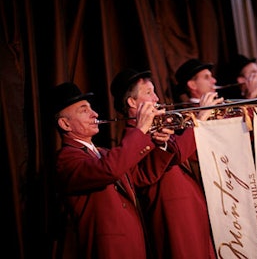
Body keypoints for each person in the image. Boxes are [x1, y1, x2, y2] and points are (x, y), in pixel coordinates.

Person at [51, 82, 175, 259]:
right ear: (65, 124)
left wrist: (160, 144)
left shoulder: (104, 152)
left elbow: (142, 176)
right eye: (84, 110)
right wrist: (139, 131)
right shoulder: (66, 159)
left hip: (134, 244)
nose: (95, 114)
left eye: (91, 108)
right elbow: (109, 170)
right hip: (108, 250)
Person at [110, 68, 219, 259]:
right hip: (175, 221)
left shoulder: (158, 129)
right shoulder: (131, 139)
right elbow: (146, 174)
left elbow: (189, 155)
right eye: (148, 93)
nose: (157, 98)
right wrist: (200, 119)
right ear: (132, 102)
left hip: (193, 214)